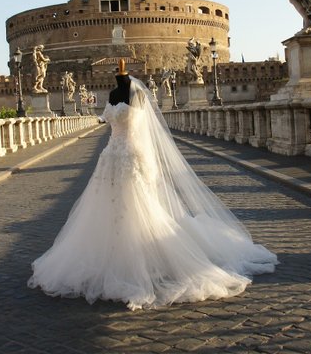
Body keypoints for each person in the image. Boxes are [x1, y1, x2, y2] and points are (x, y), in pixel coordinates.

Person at [28, 59, 278, 310]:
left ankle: (142, 260)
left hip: (131, 157)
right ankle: (114, 258)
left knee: (138, 208)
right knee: (105, 208)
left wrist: (146, 166)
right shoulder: (114, 93)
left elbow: (144, 132)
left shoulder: (136, 93)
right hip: (110, 159)